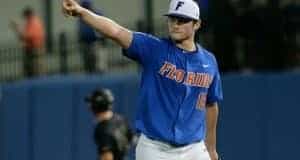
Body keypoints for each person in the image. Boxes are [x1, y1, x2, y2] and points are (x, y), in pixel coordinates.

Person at [63, 0, 223, 159]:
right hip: (155, 148)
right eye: (172, 19)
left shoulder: (209, 61)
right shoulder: (154, 49)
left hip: (193, 148)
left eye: (182, 20)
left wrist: (211, 147)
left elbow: (211, 104)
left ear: (197, 24)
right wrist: (83, 13)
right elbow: (116, 32)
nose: (175, 24)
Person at [85, 88, 133, 160]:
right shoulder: (120, 119)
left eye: (91, 103)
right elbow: (132, 139)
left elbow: (107, 157)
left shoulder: (103, 129)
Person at [10, 7, 45, 78]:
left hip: (34, 49)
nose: (25, 18)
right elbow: (23, 36)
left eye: (25, 16)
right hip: (30, 49)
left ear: (28, 14)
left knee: (35, 68)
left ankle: (37, 81)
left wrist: (17, 28)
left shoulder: (34, 22)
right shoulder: (30, 22)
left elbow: (27, 36)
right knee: (29, 68)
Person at [78, 0, 104, 73]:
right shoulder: (81, 16)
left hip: (96, 42)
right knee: (88, 63)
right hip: (86, 42)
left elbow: (102, 28)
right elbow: (81, 30)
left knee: (99, 63)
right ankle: (89, 73)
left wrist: (101, 38)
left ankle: (100, 75)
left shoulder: (96, 14)